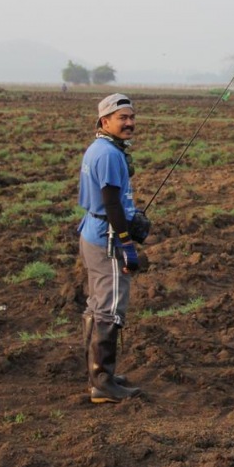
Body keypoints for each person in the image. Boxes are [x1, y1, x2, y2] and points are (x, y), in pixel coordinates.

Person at [77, 93, 151, 403]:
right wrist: (127, 243)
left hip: (93, 232)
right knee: (109, 308)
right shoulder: (108, 154)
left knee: (97, 305)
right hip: (106, 237)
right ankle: (103, 383)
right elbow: (109, 201)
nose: (129, 122)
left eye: (132, 117)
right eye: (122, 118)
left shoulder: (102, 148)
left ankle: (98, 375)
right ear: (104, 121)